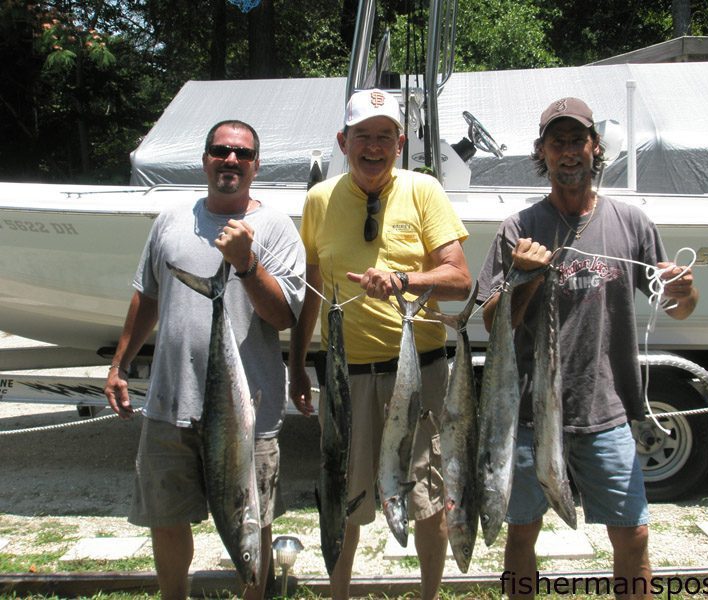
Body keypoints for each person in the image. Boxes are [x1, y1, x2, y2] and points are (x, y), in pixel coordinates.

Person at [477, 97, 698, 600]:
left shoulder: (633, 223)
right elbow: (494, 325)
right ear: (543, 154)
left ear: (595, 147)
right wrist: (526, 277)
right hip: (531, 417)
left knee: (634, 534)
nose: (569, 152)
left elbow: (680, 307)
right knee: (520, 535)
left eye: (578, 140)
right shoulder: (518, 229)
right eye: (558, 143)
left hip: (608, 411)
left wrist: (686, 292)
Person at [104, 120, 306, 600]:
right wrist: (119, 365)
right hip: (170, 402)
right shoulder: (170, 221)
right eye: (220, 150)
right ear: (205, 159)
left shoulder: (276, 229)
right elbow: (146, 298)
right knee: (166, 516)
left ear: (256, 165)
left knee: (250, 517)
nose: (230, 160)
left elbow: (281, 316)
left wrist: (246, 264)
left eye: (241, 153)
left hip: (246, 414)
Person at [288, 88, 472, 600]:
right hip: (346, 376)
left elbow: (460, 280)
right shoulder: (319, 200)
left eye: (384, 137)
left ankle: (429, 595)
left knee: (428, 497)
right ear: (342, 141)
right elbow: (314, 290)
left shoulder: (425, 190)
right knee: (343, 495)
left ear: (400, 142)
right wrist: (299, 365)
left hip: (419, 372)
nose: (373, 147)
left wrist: (404, 280)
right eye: (363, 137)